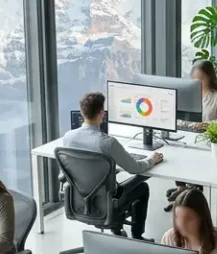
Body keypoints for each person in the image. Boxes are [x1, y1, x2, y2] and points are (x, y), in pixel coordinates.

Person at [62, 91, 162, 239]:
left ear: (82, 112)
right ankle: (137, 236)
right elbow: (134, 168)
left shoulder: (68, 137)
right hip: (108, 200)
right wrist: (152, 160)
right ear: (101, 113)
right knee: (142, 187)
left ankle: (116, 229)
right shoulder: (107, 143)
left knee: (114, 185)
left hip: (79, 200)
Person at [167, 60, 217, 212]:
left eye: (201, 78)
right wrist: (183, 123)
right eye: (195, 79)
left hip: (206, 137)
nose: (198, 82)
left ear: (210, 77)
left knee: (194, 158)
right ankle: (182, 188)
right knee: (176, 153)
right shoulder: (189, 93)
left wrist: (207, 125)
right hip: (187, 133)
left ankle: (195, 193)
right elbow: (179, 115)